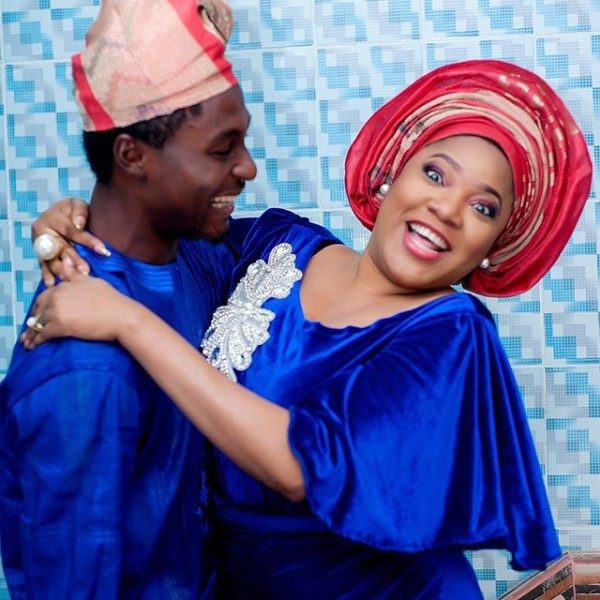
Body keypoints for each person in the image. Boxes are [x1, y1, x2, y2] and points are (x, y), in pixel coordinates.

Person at [22, 60, 592, 598]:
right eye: (435, 174)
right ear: (392, 175)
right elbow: (161, 237)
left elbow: (300, 465)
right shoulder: (275, 244)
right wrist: (80, 222)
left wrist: (130, 324)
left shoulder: (453, 335)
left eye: (483, 208)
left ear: (494, 246)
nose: (447, 209)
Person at [0, 0, 257, 597]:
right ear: (132, 156)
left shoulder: (195, 259)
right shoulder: (84, 369)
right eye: (222, 149)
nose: (247, 168)